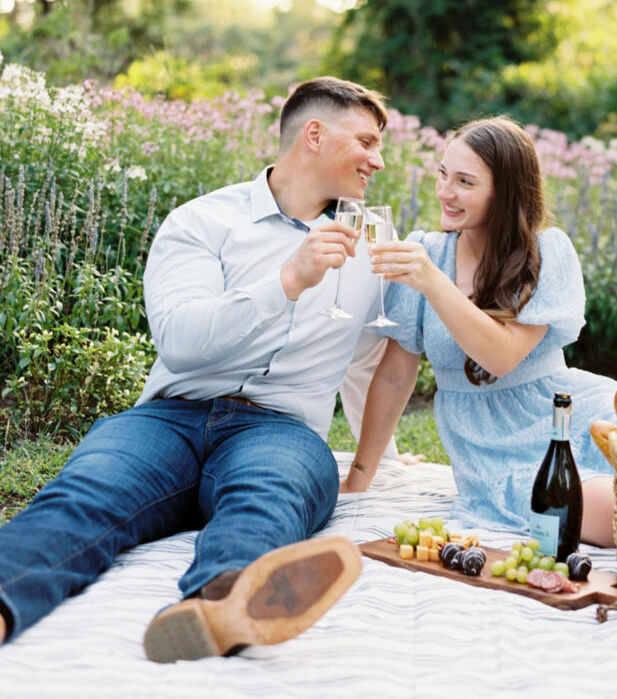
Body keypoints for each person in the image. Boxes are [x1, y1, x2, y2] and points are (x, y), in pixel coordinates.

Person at [0, 76, 393, 662]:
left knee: (269, 500)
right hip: (168, 418)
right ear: (314, 134)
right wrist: (288, 281)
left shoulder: (374, 238)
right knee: (84, 497)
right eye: (366, 141)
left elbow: (372, 358)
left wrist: (364, 467)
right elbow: (182, 342)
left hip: (280, 430)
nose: (377, 160)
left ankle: (221, 605)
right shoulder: (202, 222)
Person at [342, 115, 617, 546]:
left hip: (567, 418)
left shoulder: (546, 251)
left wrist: (433, 281)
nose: (445, 192)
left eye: (465, 182)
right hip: (490, 452)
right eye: (442, 175)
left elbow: (501, 357)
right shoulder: (428, 251)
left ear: (504, 192)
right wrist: (359, 478)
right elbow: (396, 377)